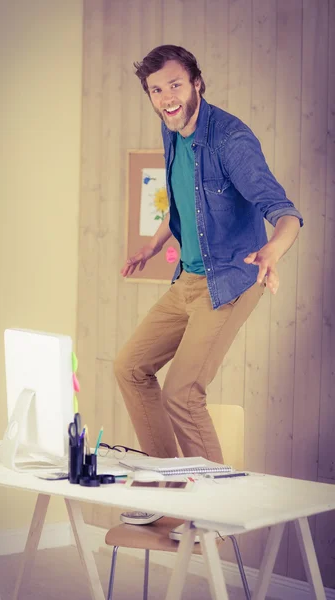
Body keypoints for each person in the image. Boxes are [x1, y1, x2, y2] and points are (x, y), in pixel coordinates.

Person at [115, 45, 303, 470]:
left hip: (232, 280)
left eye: (176, 85)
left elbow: (285, 211)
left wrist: (273, 249)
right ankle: (166, 482)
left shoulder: (231, 141)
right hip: (188, 279)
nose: (166, 97)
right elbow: (188, 198)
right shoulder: (172, 128)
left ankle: (211, 516)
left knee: (182, 393)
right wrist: (154, 244)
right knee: (129, 367)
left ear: (197, 83)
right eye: (156, 89)